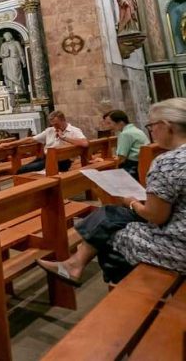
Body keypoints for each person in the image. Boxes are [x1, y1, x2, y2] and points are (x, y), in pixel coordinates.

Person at [38, 98, 186, 285]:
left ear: (167, 126)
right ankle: (74, 264)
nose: (152, 131)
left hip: (177, 247)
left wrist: (131, 202)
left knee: (108, 236)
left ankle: (133, 296)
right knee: (110, 214)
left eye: (152, 126)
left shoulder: (168, 162)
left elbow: (156, 217)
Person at [14, 110, 88, 173]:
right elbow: (31, 139)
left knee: (24, 170)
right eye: (52, 124)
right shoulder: (50, 130)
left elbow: (85, 143)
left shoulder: (74, 130)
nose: (54, 127)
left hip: (63, 161)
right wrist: (10, 144)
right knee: (21, 170)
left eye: (56, 124)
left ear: (63, 120)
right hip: (46, 158)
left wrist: (64, 138)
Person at [104, 109, 149, 179]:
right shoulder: (135, 130)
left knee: (106, 178)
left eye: (110, 123)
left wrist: (110, 165)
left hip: (133, 167)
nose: (108, 127)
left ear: (120, 122)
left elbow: (121, 158)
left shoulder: (125, 134)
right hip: (143, 163)